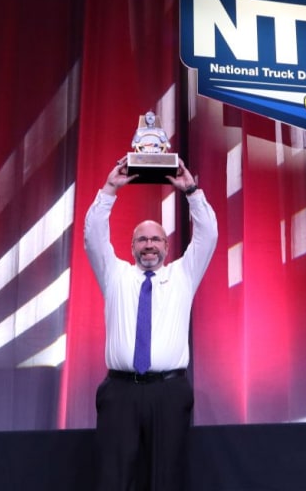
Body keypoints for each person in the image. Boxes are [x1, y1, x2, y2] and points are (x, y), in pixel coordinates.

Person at [83, 155, 218, 491]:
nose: (148, 245)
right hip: (120, 392)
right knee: (112, 480)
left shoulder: (183, 275)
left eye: (155, 239)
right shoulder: (115, 275)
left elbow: (208, 235)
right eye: (142, 240)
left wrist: (192, 192)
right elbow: (93, 237)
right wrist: (110, 189)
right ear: (131, 247)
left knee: (167, 479)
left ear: (167, 246)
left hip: (168, 391)